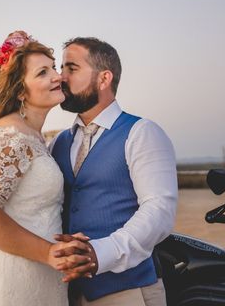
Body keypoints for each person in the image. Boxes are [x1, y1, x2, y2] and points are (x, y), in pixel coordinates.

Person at [0, 31, 93, 305]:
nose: (57, 76)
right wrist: (48, 253)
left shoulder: (34, 136)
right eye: (42, 73)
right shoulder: (9, 135)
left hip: (38, 281)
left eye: (53, 68)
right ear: (20, 91)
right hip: (8, 284)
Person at [50, 37, 178, 306]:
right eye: (61, 68)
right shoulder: (60, 142)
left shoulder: (141, 132)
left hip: (128, 292)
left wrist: (101, 252)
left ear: (104, 78)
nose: (61, 77)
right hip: (66, 294)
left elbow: (159, 210)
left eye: (71, 68)